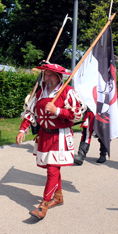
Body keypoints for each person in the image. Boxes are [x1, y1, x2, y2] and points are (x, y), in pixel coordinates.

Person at [16, 62, 84, 220]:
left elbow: (78, 114)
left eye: (50, 75)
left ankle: (44, 204)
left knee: (52, 170)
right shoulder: (40, 93)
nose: (46, 78)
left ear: (58, 76)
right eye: (45, 75)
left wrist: (57, 110)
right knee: (51, 168)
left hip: (60, 136)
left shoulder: (67, 92)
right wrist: (22, 130)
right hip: (44, 135)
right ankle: (58, 196)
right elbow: (31, 113)